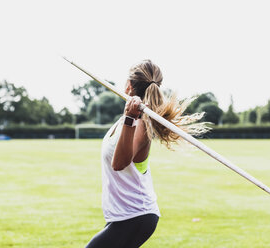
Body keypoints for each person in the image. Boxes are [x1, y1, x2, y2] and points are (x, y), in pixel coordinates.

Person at [86, 60, 209, 248]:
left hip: (136, 215)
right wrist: (128, 117)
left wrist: (130, 118)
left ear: (128, 85)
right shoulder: (126, 121)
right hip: (123, 215)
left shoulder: (142, 123)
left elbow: (119, 163)